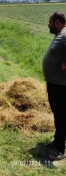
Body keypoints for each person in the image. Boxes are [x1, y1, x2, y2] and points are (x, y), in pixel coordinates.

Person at [43, 12, 66, 160]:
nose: (48, 25)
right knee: (59, 114)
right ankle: (57, 140)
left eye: (50, 22)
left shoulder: (65, 35)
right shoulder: (61, 35)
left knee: (61, 115)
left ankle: (60, 150)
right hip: (55, 83)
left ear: (57, 22)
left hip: (61, 85)